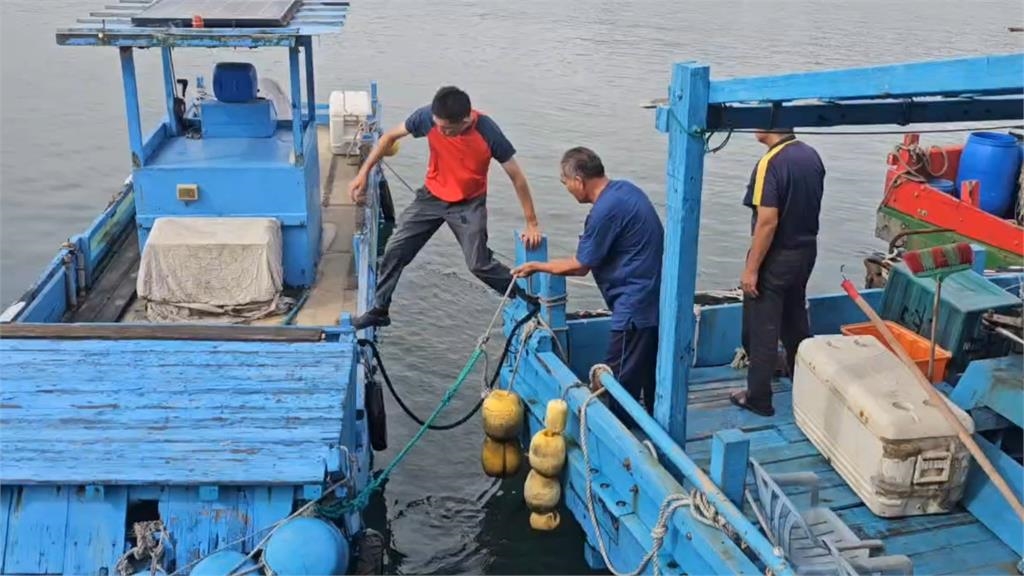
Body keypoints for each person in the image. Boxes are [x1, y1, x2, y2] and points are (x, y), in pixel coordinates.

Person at [348, 86, 543, 329]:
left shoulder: (488, 131)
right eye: (437, 126)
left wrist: (531, 222)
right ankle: (379, 309)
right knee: (395, 250)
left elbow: (517, 176)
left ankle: (525, 297)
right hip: (431, 197)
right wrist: (363, 174)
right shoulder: (426, 117)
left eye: (447, 129)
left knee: (478, 264)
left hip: (468, 204)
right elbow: (389, 138)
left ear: (465, 120)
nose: (440, 131)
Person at [512, 147, 663, 427]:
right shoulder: (626, 191)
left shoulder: (604, 210)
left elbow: (581, 265)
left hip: (634, 306)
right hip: (653, 297)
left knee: (617, 381)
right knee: (649, 371)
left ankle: (624, 443)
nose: (567, 188)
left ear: (578, 180)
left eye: (565, 182)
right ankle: (656, 424)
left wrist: (536, 266)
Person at [731, 129, 825, 417]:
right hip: (806, 251)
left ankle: (758, 398)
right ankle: (805, 385)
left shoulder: (770, 162)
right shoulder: (811, 156)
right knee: (796, 320)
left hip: (777, 255)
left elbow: (767, 221)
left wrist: (751, 269)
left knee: (763, 328)